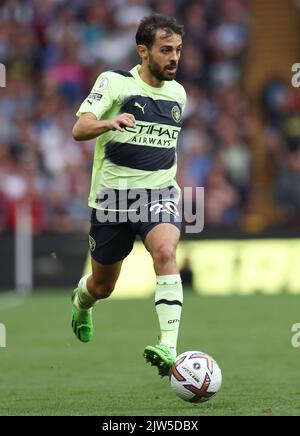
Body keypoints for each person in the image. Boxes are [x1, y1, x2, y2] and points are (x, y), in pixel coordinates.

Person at [71, 14, 186, 377]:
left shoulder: (178, 93)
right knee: (102, 287)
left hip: (159, 194)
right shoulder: (115, 83)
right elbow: (79, 128)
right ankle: (81, 302)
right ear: (143, 51)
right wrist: (110, 122)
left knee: (166, 251)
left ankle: (169, 346)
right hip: (112, 201)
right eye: (166, 50)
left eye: (178, 50)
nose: (174, 58)